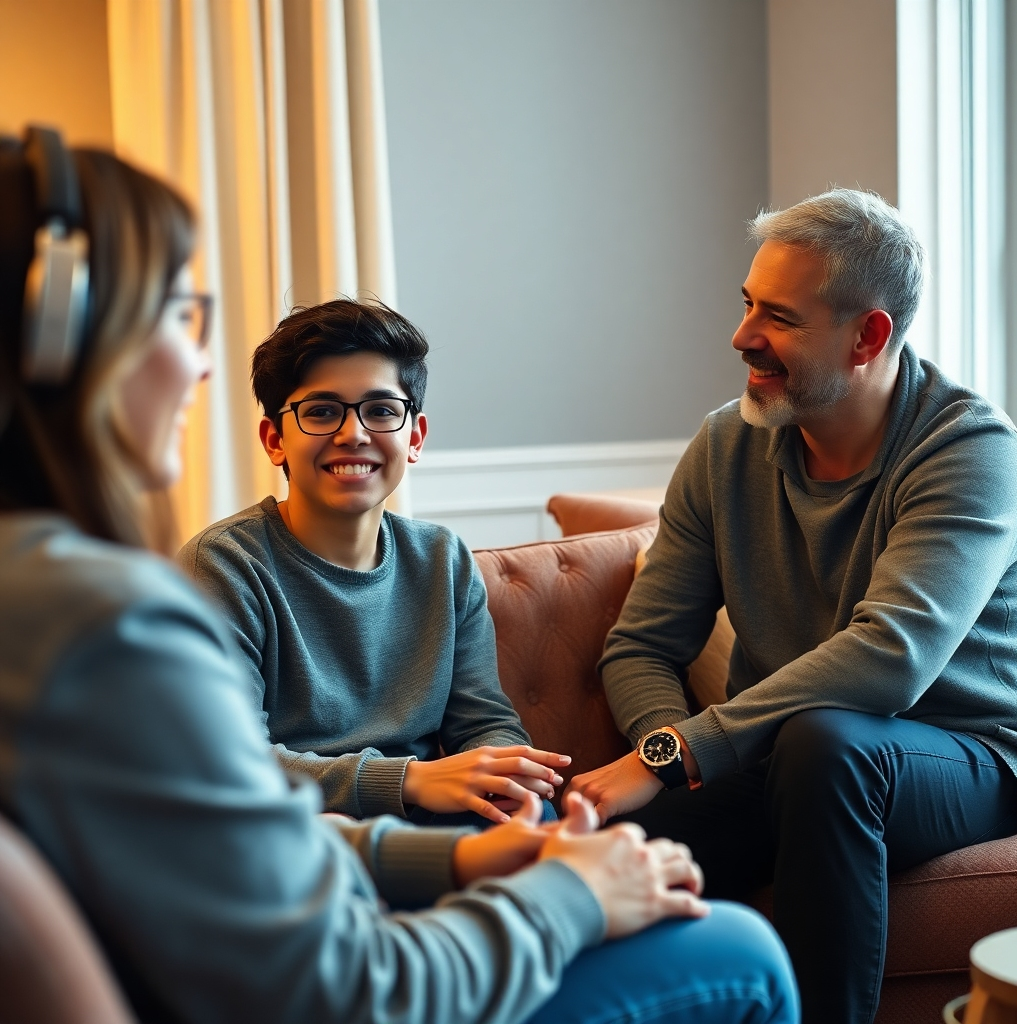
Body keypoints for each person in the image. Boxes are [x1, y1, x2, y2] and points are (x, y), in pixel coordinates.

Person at [0, 127, 799, 1024]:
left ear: (415, 434)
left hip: (384, 858)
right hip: (347, 958)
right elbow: (339, 974)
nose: (197, 360)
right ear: (59, 342)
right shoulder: (120, 617)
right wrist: (559, 892)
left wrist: (477, 845)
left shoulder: (54, 600)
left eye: (380, 411)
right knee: (741, 949)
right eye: (174, 315)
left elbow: (239, 839)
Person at [566, 187, 1017, 1024]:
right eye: (747, 304)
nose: (742, 336)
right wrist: (672, 753)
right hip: (786, 754)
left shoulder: (971, 451)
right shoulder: (725, 445)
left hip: (973, 757)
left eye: (777, 317)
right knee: (586, 871)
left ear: (868, 336)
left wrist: (678, 759)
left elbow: (889, 659)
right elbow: (640, 647)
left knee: (826, 742)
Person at [179, 301, 561, 826]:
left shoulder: (443, 560)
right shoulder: (223, 566)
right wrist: (411, 780)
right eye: (321, 411)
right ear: (275, 440)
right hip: (306, 828)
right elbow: (230, 758)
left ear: (415, 437)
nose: (353, 433)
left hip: (441, 817)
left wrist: (507, 776)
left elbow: (484, 723)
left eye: (381, 410)